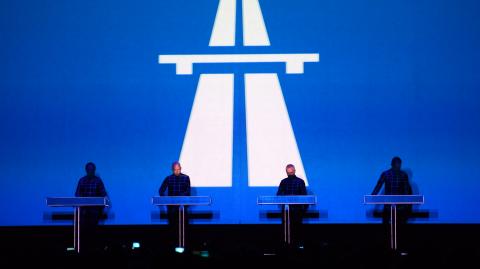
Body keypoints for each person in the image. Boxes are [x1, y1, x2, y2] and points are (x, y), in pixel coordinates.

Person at [371, 156, 412, 249]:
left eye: (400, 164)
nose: (398, 166)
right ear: (392, 164)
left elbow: (406, 190)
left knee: (400, 227)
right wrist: (371, 197)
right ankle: (386, 246)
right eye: (397, 164)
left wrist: (406, 204)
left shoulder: (403, 175)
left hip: (400, 206)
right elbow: (378, 185)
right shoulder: (385, 174)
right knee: (385, 226)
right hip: (388, 205)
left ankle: (398, 246)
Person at [75, 162, 108, 252]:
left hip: (94, 212)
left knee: (93, 231)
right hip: (83, 212)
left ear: (94, 170)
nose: (90, 171)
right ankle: (83, 249)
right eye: (89, 169)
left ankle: (93, 249)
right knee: (83, 232)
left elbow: (103, 195)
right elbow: (77, 194)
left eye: (92, 169)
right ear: (86, 170)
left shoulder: (98, 181)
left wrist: (102, 206)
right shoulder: (82, 180)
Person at [159, 161, 191, 246]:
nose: (177, 171)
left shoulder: (186, 178)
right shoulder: (168, 178)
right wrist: (166, 199)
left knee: (183, 226)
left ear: (181, 169)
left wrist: (180, 197)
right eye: (175, 170)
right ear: (172, 170)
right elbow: (161, 191)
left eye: (178, 169)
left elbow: (188, 191)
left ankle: (184, 244)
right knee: (172, 226)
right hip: (171, 207)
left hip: (182, 207)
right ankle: (172, 244)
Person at [277, 164, 307, 246]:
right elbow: (278, 195)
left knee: (297, 228)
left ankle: (297, 245)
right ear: (286, 172)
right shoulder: (283, 182)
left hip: (297, 210)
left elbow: (305, 197)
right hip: (286, 211)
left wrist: (303, 209)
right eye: (289, 172)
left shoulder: (300, 182)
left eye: (291, 172)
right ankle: (287, 245)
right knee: (286, 228)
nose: (290, 174)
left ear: (294, 171)